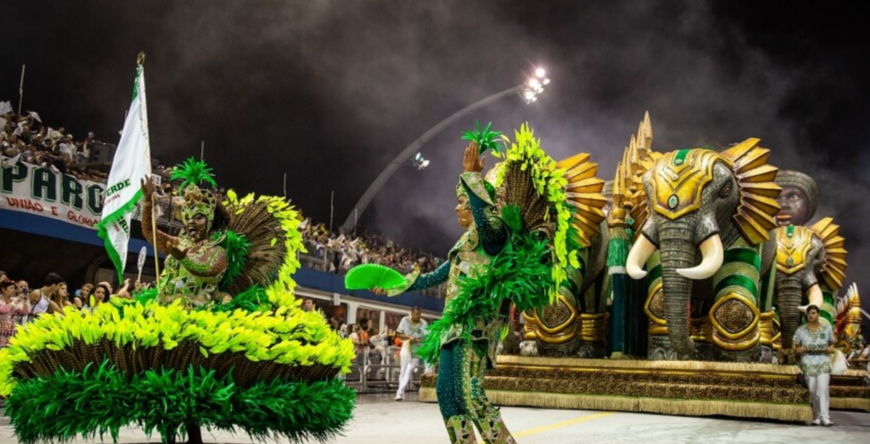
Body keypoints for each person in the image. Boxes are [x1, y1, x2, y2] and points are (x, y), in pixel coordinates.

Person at [794, 304, 836, 426]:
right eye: (809, 313)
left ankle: (825, 417)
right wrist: (799, 349)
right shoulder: (800, 330)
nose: (811, 315)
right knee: (813, 391)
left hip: (823, 363)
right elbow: (795, 347)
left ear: (818, 314)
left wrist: (828, 349)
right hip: (807, 363)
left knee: (823, 389)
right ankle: (816, 416)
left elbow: (832, 346)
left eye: (813, 313)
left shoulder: (827, 329)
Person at [394, 307, 428, 401]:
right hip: (406, 348)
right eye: (416, 314)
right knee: (403, 371)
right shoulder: (404, 320)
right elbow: (398, 334)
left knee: (409, 371)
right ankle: (400, 393)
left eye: (419, 314)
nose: (418, 316)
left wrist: (418, 340)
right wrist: (408, 337)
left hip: (417, 350)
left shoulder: (424, 323)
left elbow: (427, 337)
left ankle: (399, 393)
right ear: (411, 313)